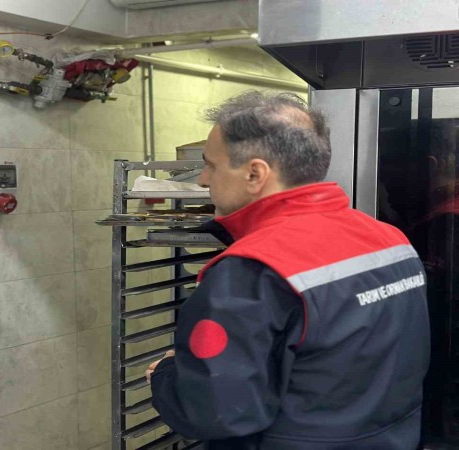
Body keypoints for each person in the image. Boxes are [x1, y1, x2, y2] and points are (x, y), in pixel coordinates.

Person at [145, 91, 430, 449]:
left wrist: (167, 376)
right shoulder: (389, 239)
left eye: (211, 165)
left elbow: (216, 412)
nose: (203, 180)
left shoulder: (252, 271)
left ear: (254, 174)